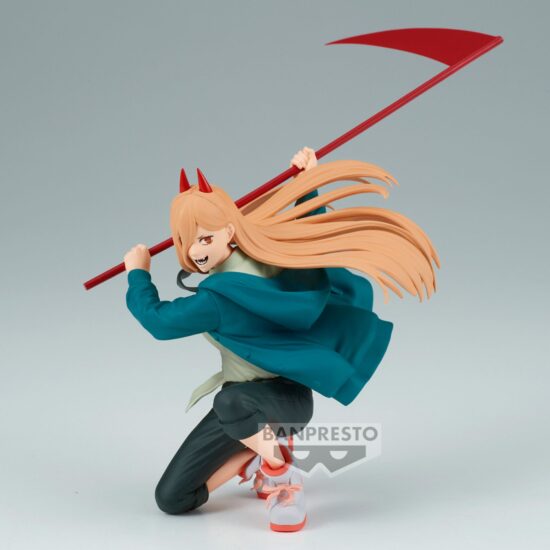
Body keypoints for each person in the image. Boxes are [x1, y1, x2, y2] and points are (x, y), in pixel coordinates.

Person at [123, 147, 439, 532]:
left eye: (205, 239)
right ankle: (256, 453)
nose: (195, 251)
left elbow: (159, 322)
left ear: (229, 231)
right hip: (244, 412)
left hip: (283, 402)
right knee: (172, 499)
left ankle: (282, 474)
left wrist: (138, 274)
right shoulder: (264, 257)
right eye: (186, 241)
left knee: (230, 401)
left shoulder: (217, 297)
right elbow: (308, 237)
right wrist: (306, 185)